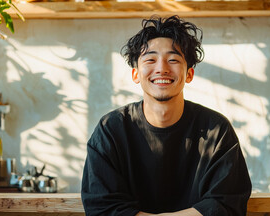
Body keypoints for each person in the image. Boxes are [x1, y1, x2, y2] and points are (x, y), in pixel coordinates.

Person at [81, 15, 252, 216]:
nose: (161, 68)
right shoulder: (111, 129)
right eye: (151, 59)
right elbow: (102, 207)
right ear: (136, 74)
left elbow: (227, 204)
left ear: (189, 74)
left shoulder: (217, 130)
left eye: (173, 60)